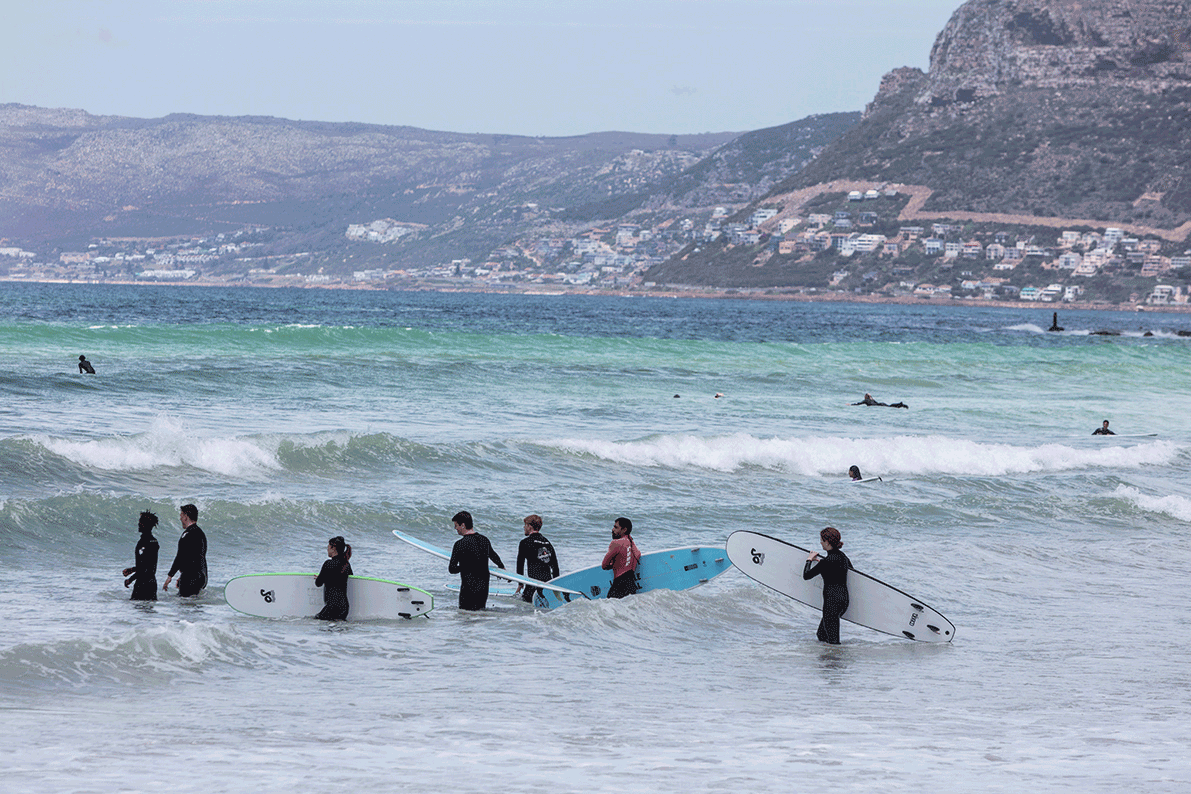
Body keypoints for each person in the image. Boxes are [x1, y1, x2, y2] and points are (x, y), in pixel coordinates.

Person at [802, 527, 853, 645]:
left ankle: (836, 662)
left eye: (821, 540)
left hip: (832, 603)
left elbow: (806, 575)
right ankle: (828, 661)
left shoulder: (828, 561)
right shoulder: (842, 557)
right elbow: (851, 571)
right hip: (843, 601)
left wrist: (809, 560)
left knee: (833, 641)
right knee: (821, 634)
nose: (820, 542)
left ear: (827, 542)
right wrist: (823, 566)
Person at [448, 510, 504, 611]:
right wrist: (502, 568)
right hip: (483, 588)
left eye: (456, 525)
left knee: (465, 617)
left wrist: (465, 566)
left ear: (463, 525)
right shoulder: (484, 540)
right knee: (480, 616)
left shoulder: (459, 544)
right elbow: (494, 556)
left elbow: (452, 569)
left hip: (468, 589)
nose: (455, 529)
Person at [163, 504, 208, 597]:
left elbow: (180, 556)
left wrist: (170, 576)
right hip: (202, 576)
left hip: (191, 577)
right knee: (193, 605)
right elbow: (198, 557)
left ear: (186, 516)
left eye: (181, 515)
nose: (180, 518)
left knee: (183, 606)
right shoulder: (201, 534)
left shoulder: (187, 534)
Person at [515, 514, 560, 604]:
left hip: (533, 584)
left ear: (530, 526)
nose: (524, 527)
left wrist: (520, 584)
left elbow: (520, 564)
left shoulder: (525, 542)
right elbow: (555, 567)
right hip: (548, 585)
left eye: (525, 525)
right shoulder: (547, 543)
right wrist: (555, 588)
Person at [122, 511, 160, 601]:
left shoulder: (144, 542)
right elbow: (147, 565)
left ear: (145, 524)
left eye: (140, 522)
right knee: (148, 612)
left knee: (137, 612)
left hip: (143, 584)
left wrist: (130, 579)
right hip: (152, 583)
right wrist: (132, 569)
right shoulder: (154, 541)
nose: (139, 524)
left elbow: (144, 568)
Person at [601, 517, 642, 599]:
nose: (612, 530)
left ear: (624, 530)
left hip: (619, 585)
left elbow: (604, 565)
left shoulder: (616, 543)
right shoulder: (632, 544)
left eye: (616, 527)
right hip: (631, 585)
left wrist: (614, 564)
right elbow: (637, 555)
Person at [315, 536, 353, 621]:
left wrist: (323, 578)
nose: (327, 550)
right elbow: (348, 578)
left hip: (332, 607)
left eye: (328, 547)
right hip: (344, 607)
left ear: (333, 548)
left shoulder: (328, 564)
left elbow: (318, 583)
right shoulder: (346, 564)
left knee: (315, 623)